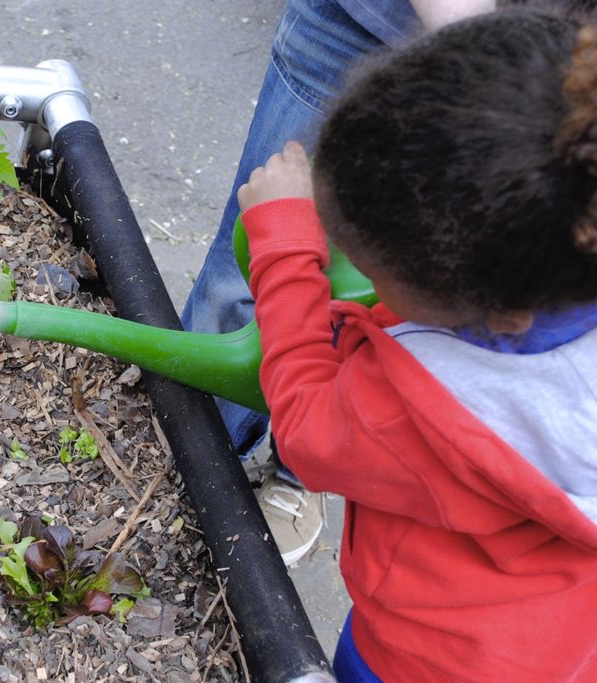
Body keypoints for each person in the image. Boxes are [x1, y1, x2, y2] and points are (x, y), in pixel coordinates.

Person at [238, 8, 597, 680]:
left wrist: (286, 249)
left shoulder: (425, 405)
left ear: (503, 313)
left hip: (419, 660)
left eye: (374, 272)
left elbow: (309, 429)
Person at [182, 0, 493, 565]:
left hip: (520, 81)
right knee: (245, 293)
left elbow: (319, 430)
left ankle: (291, 477)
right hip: (385, 26)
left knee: (356, 326)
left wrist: (283, 240)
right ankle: (191, 456)